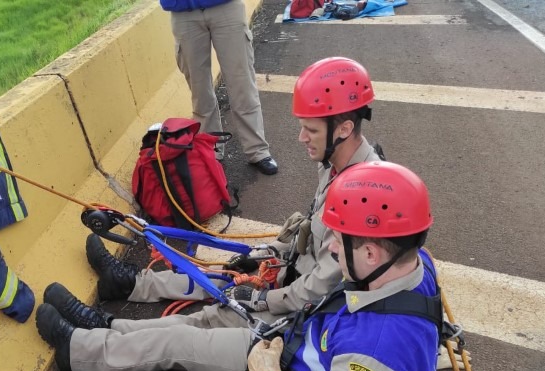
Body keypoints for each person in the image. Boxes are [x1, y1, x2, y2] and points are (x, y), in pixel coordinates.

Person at [0, 161, 440, 371]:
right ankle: (80, 348)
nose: (331, 250)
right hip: (287, 354)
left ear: (374, 250)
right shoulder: (399, 267)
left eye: (340, 242)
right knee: (181, 339)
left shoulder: (374, 356)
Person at [72, 57, 384, 340]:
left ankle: (107, 331)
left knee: (209, 320)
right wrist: (262, 254)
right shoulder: (336, 165)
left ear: (343, 128)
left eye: (310, 130)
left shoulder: (361, 197)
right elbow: (312, 243)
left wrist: (263, 299)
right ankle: (129, 283)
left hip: (307, 309)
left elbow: (320, 286)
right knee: (225, 275)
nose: (301, 138)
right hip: (294, 277)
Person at [160, 0, 278, 175]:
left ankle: (258, 150)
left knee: (242, 83)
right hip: (183, 12)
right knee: (199, 92)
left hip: (226, 7)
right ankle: (210, 150)